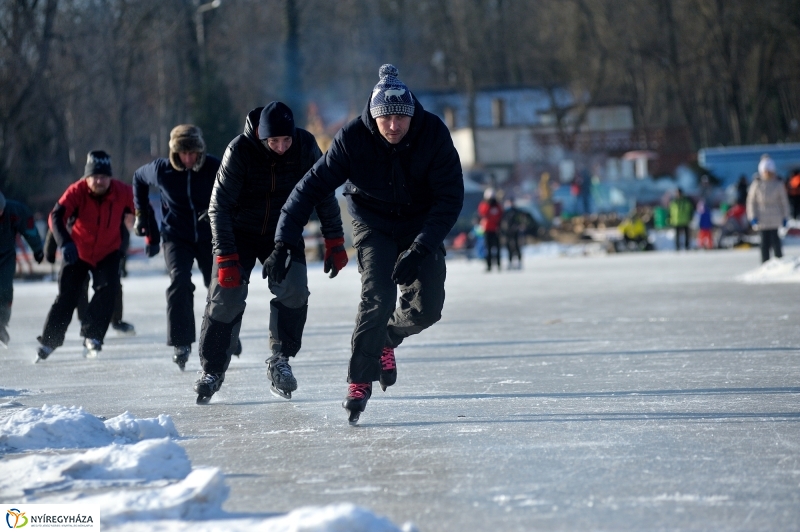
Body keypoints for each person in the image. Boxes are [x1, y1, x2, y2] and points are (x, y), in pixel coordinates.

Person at [266, 64, 464, 424]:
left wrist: (421, 247)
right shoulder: (352, 138)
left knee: (428, 308)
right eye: (385, 117)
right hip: (373, 223)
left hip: (420, 224)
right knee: (378, 297)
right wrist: (282, 240)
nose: (393, 126)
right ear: (374, 116)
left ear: (411, 114)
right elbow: (309, 188)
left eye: (400, 117)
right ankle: (359, 381)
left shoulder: (433, 132)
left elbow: (450, 198)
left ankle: (387, 337)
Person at [193, 101, 346, 402]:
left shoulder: (304, 146)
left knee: (295, 290)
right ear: (261, 137)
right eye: (273, 141)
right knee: (226, 297)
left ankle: (281, 360)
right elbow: (218, 207)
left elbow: (324, 194)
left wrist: (334, 239)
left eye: (285, 140)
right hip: (237, 232)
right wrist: (225, 255)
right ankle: (212, 370)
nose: (280, 147)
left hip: (283, 232)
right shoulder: (239, 151)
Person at [133, 125, 220, 370]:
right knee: (179, 282)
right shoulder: (162, 170)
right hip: (176, 236)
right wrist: (142, 215)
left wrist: (221, 214)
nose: (189, 159)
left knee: (220, 286)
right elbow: (138, 178)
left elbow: (234, 190)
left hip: (209, 235)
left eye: (194, 153)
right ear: (175, 153)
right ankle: (181, 342)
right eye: (184, 153)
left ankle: (223, 335)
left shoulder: (214, 167)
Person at [36, 151, 135, 362]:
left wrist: (150, 234)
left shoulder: (121, 191)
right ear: (86, 177)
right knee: (67, 296)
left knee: (109, 289)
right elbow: (56, 216)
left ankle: (93, 335)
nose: (99, 181)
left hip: (108, 251)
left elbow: (142, 208)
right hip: (78, 250)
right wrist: (64, 244)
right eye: (95, 177)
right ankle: (49, 341)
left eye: (104, 177)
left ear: (110, 177)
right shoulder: (76, 191)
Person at [0, 191, 44, 347]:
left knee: (5, 290)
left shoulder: (15, 211)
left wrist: (37, 249)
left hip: (5, 257)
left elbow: (29, 229)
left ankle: (1, 324)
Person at [747, 155, 790, 263]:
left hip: (775, 218)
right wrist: (752, 217)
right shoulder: (757, 184)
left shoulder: (778, 184)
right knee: (764, 244)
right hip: (762, 218)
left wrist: (785, 216)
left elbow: (784, 202)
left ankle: (780, 264)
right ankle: (765, 265)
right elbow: (751, 202)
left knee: (776, 243)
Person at [500, 198, 534, 269]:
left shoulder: (517, 212)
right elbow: (502, 222)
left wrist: (521, 226)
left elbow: (524, 219)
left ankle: (519, 262)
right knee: (509, 248)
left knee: (517, 247)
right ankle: (510, 263)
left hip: (516, 232)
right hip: (508, 232)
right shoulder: (505, 212)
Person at [477, 188, 503, 271]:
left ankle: (498, 264)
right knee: (488, 248)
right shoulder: (484, 205)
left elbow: (500, 215)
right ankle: (489, 265)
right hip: (487, 230)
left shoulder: (497, 206)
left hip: (496, 229)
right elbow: (482, 213)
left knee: (497, 248)